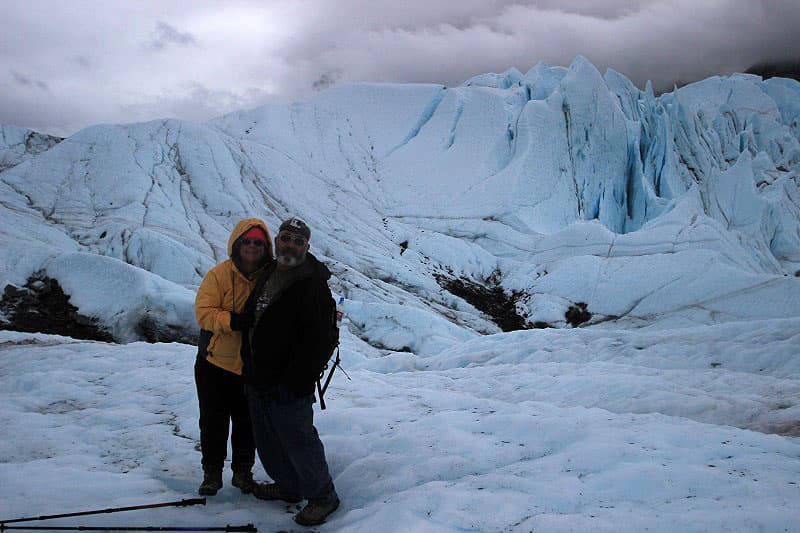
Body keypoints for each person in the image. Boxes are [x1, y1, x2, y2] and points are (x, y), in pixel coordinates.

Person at [241, 217, 340, 527]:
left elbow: (322, 340)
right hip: (258, 377)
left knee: (298, 439)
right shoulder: (269, 271)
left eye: (299, 241)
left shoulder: (313, 285)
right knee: (267, 440)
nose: (291, 245)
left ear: (307, 247)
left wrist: (296, 382)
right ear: (277, 241)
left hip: (290, 384)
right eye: (286, 238)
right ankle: (289, 486)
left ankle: (323, 495)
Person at [194, 218, 273, 496]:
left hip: (250, 365)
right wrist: (234, 321)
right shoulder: (219, 275)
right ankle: (212, 474)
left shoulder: (271, 277)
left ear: (266, 247)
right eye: (247, 241)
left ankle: (242, 473)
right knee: (213, 421)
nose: (252, 247)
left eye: (258, 242)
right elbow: (203, 312)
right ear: (237, 244)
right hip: (214, 362)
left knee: (246, 422)